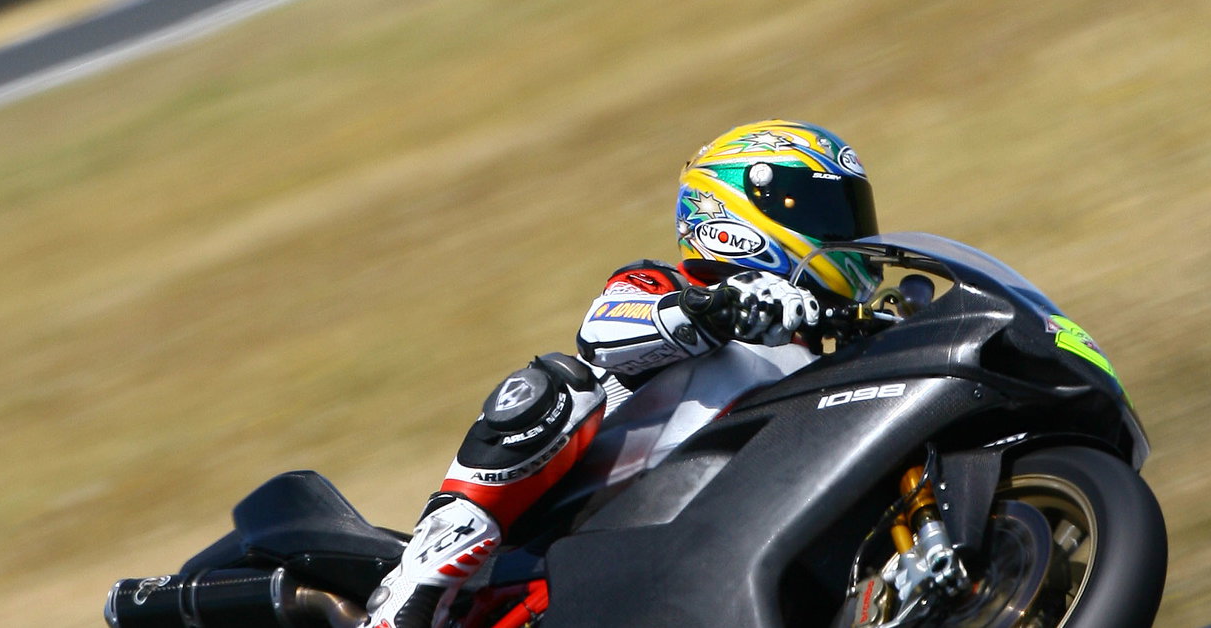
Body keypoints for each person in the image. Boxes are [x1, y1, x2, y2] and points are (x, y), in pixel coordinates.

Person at [366, 119, 882, 628]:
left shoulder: (819, 353)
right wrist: (718, 310)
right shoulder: (663, 286)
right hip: (556, 547)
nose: (844, 235)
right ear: (733, 215)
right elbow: (602, 331)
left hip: (707, 556)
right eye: (819, 212)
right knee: (555, 385)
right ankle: (418, 585)